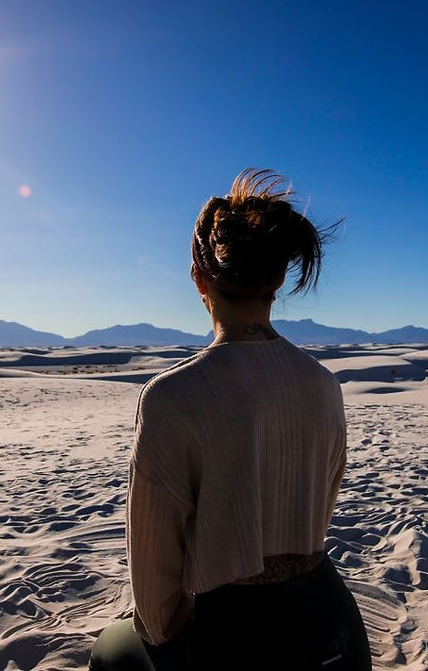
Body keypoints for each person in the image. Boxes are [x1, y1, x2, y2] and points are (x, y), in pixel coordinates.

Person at [89, 169, 371, 671]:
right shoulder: (323, 383)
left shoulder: (172, 396)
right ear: (280, 278)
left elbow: (155, 574)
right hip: (333, 626)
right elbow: (321, 506)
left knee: (111, 653)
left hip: (237, 636)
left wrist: (167, 642)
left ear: (199, 278)